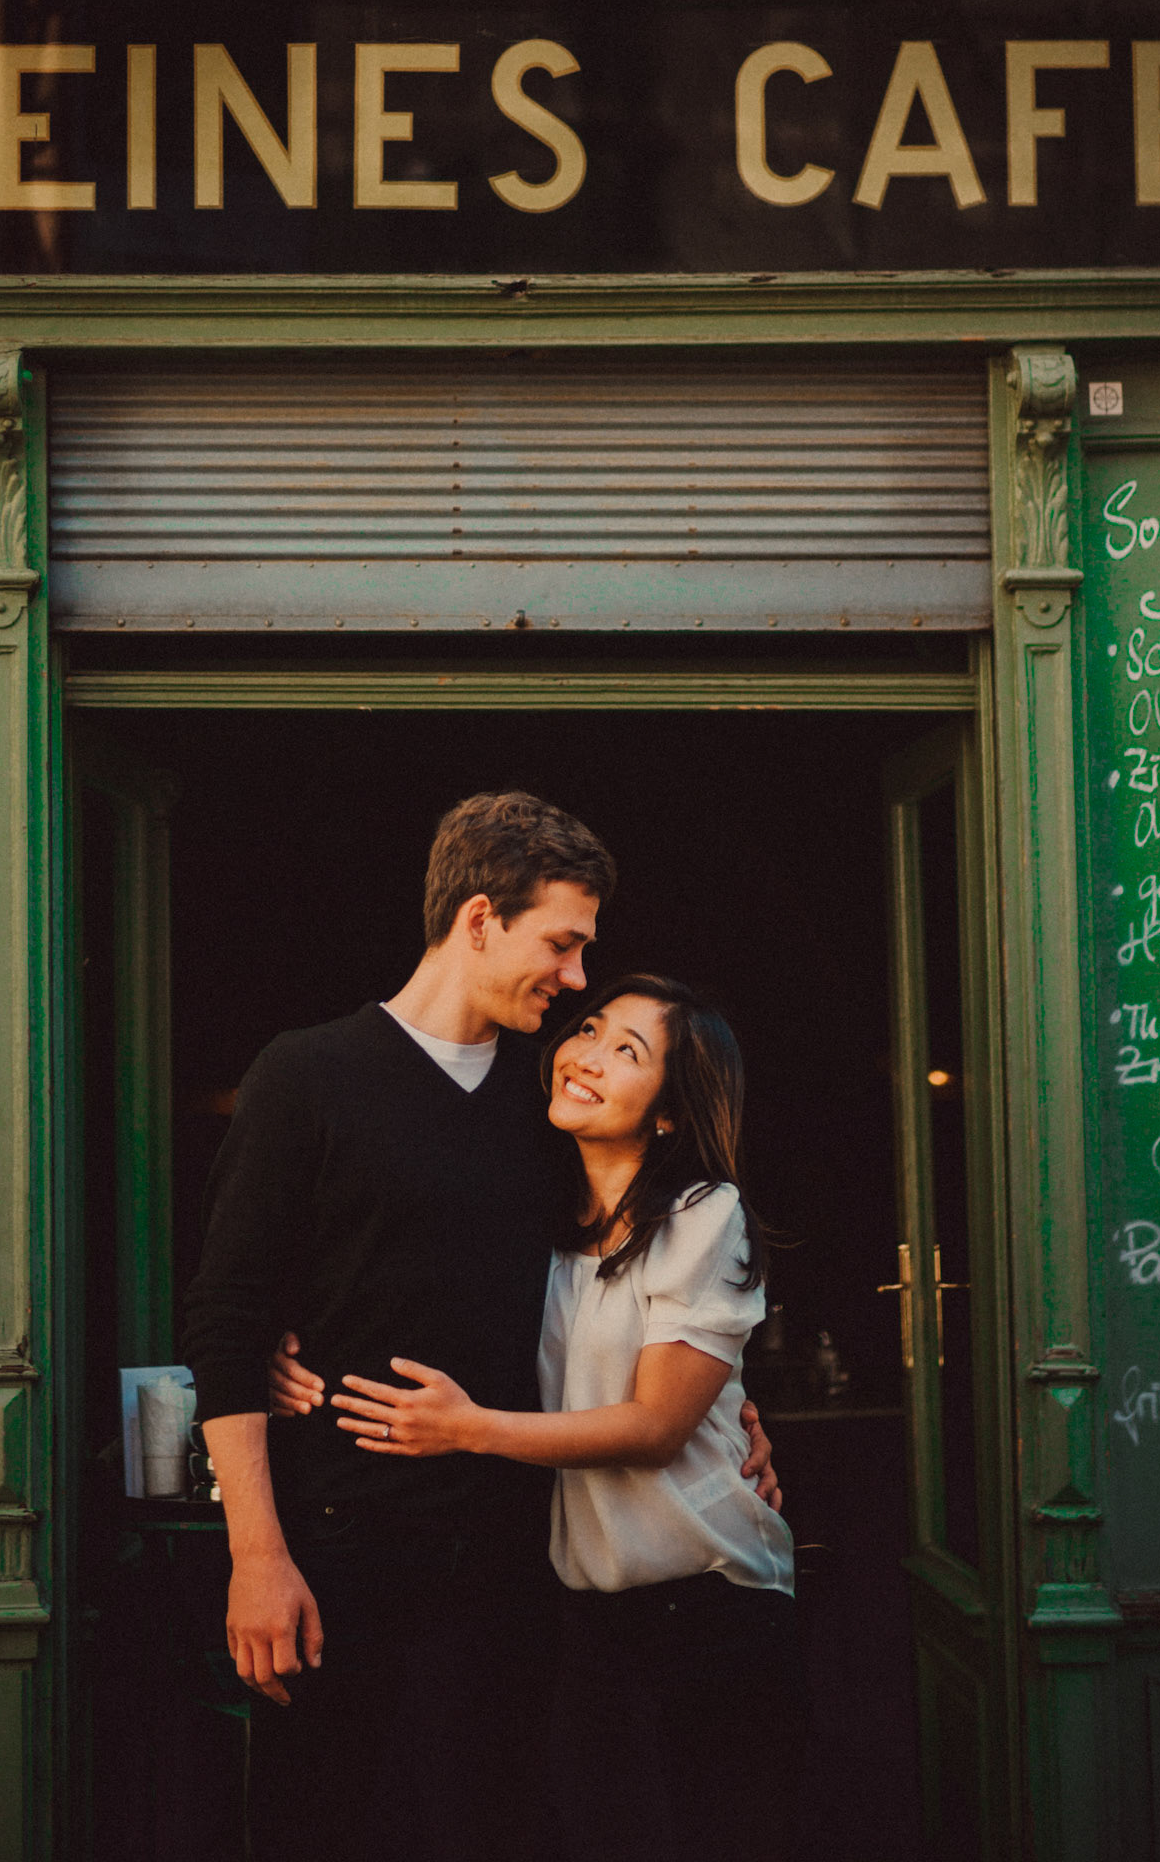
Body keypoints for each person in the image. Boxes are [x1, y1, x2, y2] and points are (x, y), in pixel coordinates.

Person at [182, 792, 777, 1862]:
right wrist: (257, 1555)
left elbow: (624, 1269)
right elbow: (224, 1318)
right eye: (562, 942)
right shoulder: (306, 1074)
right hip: (333, 1554)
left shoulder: (543, 1102)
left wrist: (725, 1403)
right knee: (317, 1827)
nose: (576, 978)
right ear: (476, 920)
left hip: (512, 1572)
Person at [329, 973, 802, 1862]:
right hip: (586, 1615)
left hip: (712, 1605)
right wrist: (291, 1348)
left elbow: (656, 1426)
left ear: (669, 1112)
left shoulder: (705, 1214)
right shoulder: (532, 1220)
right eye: (589, 1029)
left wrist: (469, 1427)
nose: (585, 1055)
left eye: (628, 1052)